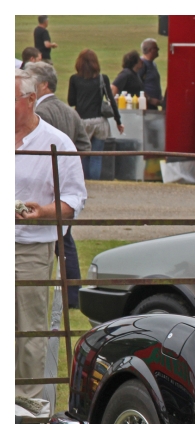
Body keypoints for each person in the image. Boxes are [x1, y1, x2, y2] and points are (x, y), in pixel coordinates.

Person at [15, 68, 87, 403]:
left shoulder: (56, 142)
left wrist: (42, 212)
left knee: (28, 328)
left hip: (30, 248)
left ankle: (26, 405)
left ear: (30, 100)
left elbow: (74, 200)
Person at [25, 60, 88, 308]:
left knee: (59, 242)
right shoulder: (68, 110)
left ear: (42, 85)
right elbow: (84, 145)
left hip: (44, 189)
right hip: (62, 188)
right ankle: (73, 296)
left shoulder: (39, 115)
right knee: (66, 243)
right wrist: (73, 169)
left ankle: (71, 296)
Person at [68, 48, 122, 179]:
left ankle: (85, 183)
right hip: (99, 122)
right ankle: (96, 183)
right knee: (96, 157)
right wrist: (118, 121)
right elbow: (111, 101)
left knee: (84, 156)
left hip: (82, 122)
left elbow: (71, 101)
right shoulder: (103, 79)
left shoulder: (74, 79)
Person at [137, 38, 162, 109]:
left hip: (153, 105)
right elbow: (136, 86)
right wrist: (150, 100)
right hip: (146, 106)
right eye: (156, 48)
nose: (158, 49)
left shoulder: (153, 64)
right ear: (150, 50)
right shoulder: (141, 65)